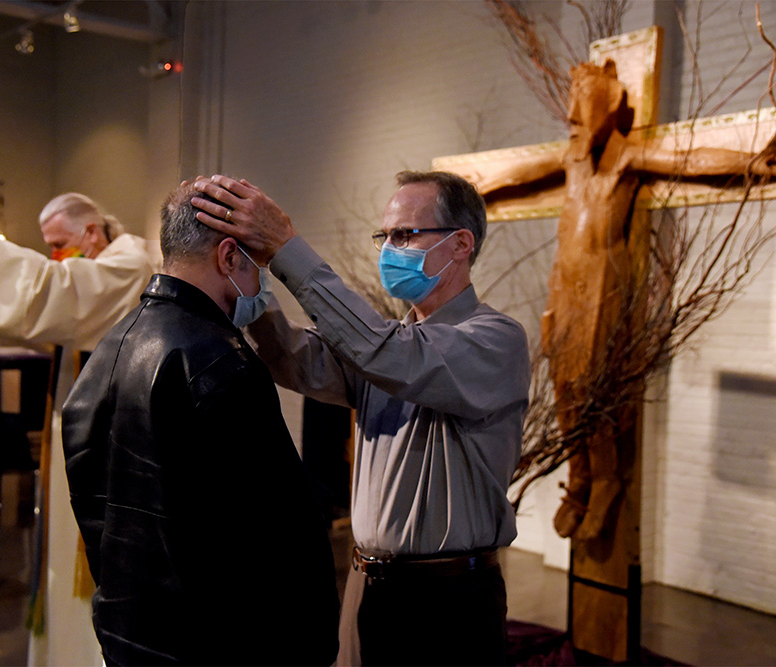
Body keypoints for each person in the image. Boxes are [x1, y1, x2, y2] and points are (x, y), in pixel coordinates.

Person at [452, 60, 776, 540]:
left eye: (584, 107)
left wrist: (752, 161)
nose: (575, 119)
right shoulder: (573, 160)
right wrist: (464, 191)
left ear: (604, 107)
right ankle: (580, 473)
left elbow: (691, 160)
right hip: (564, 286)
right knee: (564, 384)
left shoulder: (627, 157)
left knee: (593, 383)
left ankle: (606, 477)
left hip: (603, 283)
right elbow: (521, 173)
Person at [193, 171, 531, 666]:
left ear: (461, 244)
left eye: (406, 234)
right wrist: (251, 279)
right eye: (386, 236)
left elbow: (389, 354)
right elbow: (294, 358)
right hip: (366, 585)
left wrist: (288, 247)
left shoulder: (496, 338)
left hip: (447, 601)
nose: (390, 249)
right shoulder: (391, 345)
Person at [61, 181, 340, 665]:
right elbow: (278, 531)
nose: (262, 286)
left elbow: (98, 516)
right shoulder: (219, 361)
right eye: (261, 268)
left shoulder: (107, 351)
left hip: (130, 636)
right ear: (229, 257)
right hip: (217, 640)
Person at [0, 192, 159, 665]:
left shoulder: (130, 262)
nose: (55, 256)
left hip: (108, 449)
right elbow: (31, 317)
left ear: (92, 231)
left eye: (61, 243)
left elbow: (61, 289)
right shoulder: (89, 273)